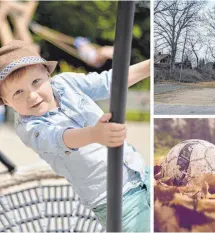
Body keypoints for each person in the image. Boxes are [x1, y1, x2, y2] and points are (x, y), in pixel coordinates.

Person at [0, 40, 150, 232]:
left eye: (36, 82)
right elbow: (60, 138)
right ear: (6, 101)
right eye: (18, 92)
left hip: (139, 171)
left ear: (48, 74)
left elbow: (108, 82)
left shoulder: (65, 83)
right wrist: (93, 134)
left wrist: (150, 66)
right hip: (115, 201)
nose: (32, 96)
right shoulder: (29, 127)